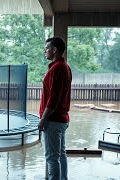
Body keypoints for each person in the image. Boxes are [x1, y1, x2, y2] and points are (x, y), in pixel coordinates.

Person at [38, 36, 72, 180]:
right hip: (61, 119)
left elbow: (54, 98)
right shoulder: (65, 67)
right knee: (60, 154)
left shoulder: (58, 68)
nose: (45, 51)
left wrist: (43, 119)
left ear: (54, 50)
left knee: (52, 158)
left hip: (53, 120)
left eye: (46, 48)